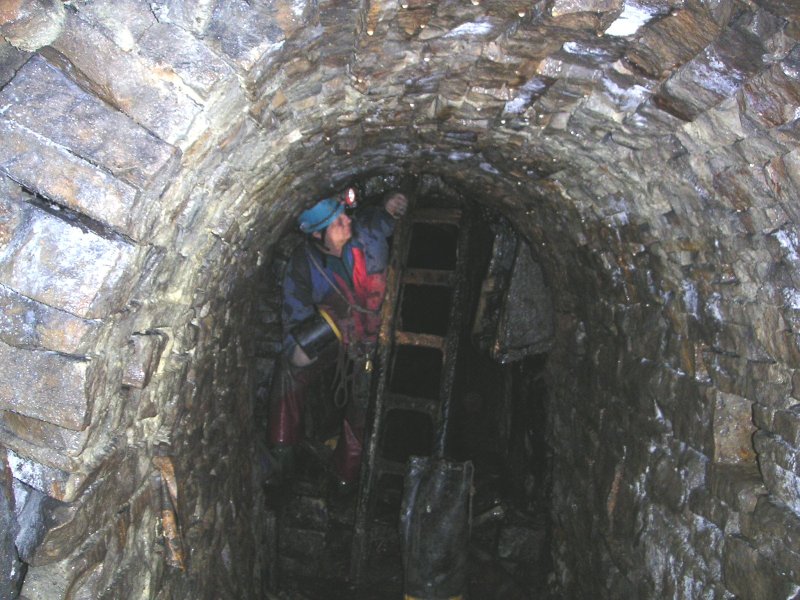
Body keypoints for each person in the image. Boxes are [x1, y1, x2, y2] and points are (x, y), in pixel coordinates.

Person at [267, 189, 408, 489]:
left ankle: (345, 478)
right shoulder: (303, 265)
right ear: (318, 237)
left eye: (343, 214)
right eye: (336, 221)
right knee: (289, 371)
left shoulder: (366, 234)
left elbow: (380, 220)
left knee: (362, 403)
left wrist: (390, 206)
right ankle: (282, 457)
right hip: (340, 340)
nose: (347, 221)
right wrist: (301, 349)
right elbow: (295, 325)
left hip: (378, 340)